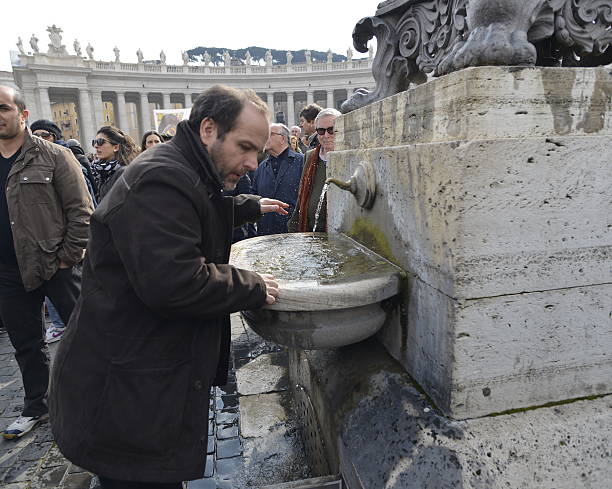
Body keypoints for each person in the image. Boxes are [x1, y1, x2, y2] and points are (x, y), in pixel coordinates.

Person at [49, 85, 288, 488]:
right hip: (125, 389)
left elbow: (196, 207)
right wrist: (249, 285)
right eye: (245, 147)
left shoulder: (182, 169)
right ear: (209, 129)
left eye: (258, 153)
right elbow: (177, 282)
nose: (251, 162)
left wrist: (243, 205)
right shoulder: (160, 179)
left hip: (138, 375)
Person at [0, 85, 93, 439]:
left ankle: (93, 400)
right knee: (26, 344)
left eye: (3, 108)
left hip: (57, 265)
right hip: (9, 271)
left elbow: (81, 211)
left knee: (85, 334)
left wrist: (67, 258)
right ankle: (36, 406)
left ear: (22, 114)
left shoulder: (54, 155)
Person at [288, 107, 341, 233]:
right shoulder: (310, 155)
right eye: (321, 131)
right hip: (311, 230)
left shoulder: (349, 156)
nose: (326, 135)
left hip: (340, 231)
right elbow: (302, 193)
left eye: (331, 130)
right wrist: (294, 227)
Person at [252, 123, 303, 235]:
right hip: (266, 234)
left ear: (283, 138)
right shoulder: (261, 167)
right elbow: (254, 196)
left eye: (269, 134)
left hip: (293, 233)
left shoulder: (301, 161)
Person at [91, 126, 139, 202]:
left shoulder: (123, 172)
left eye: (100, 141)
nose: (96, 146)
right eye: (94, 142)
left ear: (116, 147)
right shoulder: (103, 172)